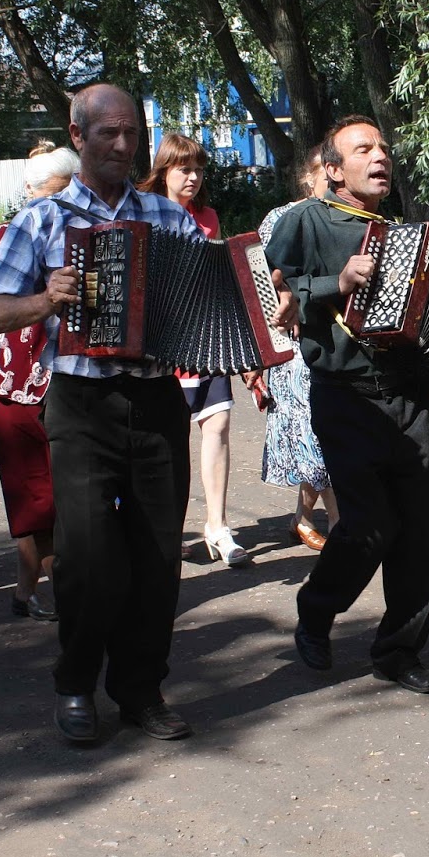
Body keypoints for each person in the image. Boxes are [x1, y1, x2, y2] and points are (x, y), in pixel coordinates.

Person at [0, 84, 282, 745]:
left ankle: (141, 689)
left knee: (155, 554)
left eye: (130, 134)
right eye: (108, 133)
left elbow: (218, 294)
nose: (121, 145)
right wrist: (45, 300)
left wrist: (259, 324)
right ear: (77, 136)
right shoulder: (42, 221)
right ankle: (77, 683)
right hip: (81, 403)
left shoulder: (166, 218)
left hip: (156, 399)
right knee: (86, 557)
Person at [266, 115, 429, 696]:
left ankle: (399, 651)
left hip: (408, 398)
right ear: (332, 169)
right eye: (363, 149)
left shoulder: (404, 234)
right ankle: (317, 606)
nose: (380, 156)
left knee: (424, 531)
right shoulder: (305, 221)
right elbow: (268, 295)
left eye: (382, 147)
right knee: (370, 525)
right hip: (344, 397)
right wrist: (336, 283)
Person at [0, 146, 80, 619]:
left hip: (70, 381)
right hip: (16, 384)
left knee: (68, 495)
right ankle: (53, 591)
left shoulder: (94, 233)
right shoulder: (5, 235)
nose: (58, 207)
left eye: (69, 193)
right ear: (30, 193)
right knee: (34, 494)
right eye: (52, 195)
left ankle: (29, 586)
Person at [137, 134, 247, 567]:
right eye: (184, 169)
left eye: (199, 169)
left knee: (217, 423)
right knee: (170, 436)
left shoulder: (208, 217)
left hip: (205, 338)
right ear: (163, 171)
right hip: (164, 343)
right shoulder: (143, 214)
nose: (194, 178)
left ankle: (217, 527)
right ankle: (170, 526)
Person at [255, 143, 338, 550]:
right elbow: (264, 278)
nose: (333, 180)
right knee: (315, 434)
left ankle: (304, 516)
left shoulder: (340, 216)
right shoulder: (281, 218)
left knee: (321, 434)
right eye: (326, 172)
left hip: (331, 339)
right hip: (293, 344)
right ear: (310, 176)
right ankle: (340, 522)